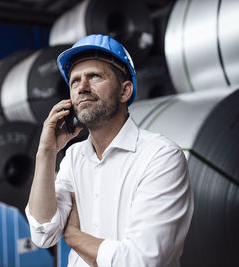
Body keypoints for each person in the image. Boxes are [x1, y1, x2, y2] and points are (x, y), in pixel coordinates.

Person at [25, 34, 194, 267]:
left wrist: (74, 236)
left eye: (94, 76)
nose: (82, 87)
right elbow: (43, 233)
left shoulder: (160, 157)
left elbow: (139, 261)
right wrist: (46, 152)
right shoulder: (73, 158)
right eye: (74, 81)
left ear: (125, 91)